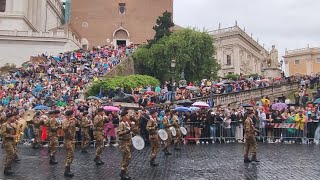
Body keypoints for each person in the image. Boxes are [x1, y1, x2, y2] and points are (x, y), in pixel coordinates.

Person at [117, 111, 133, 180]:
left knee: (125, 157)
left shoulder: (126, 123)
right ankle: (122, 171)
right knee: (128, 156)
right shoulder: (122, 124)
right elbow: (119, 133)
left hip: (128, 142)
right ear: (123, 116)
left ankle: (123, 172)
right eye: (127, 115)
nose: (128, 116)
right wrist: (126, 131)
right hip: (123, 143)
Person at [62, 110, 77, 177]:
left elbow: (79, 124)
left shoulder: (73, 120)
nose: (73, 115)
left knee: (71, 155)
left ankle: (68, 169)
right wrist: (69, 123)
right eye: (72, 114)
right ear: (69, 115)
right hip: (67, 140)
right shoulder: (65, 121)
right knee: (69, 155)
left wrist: (75, 120)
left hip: (72, 140)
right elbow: (64, 129)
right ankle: (66, 171)